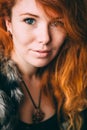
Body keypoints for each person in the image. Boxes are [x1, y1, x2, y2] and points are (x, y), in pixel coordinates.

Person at [0, 0, 87, 130]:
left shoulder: (74, 78)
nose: (45, 38)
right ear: (9, 23)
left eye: (58, 23)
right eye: (29, 20)